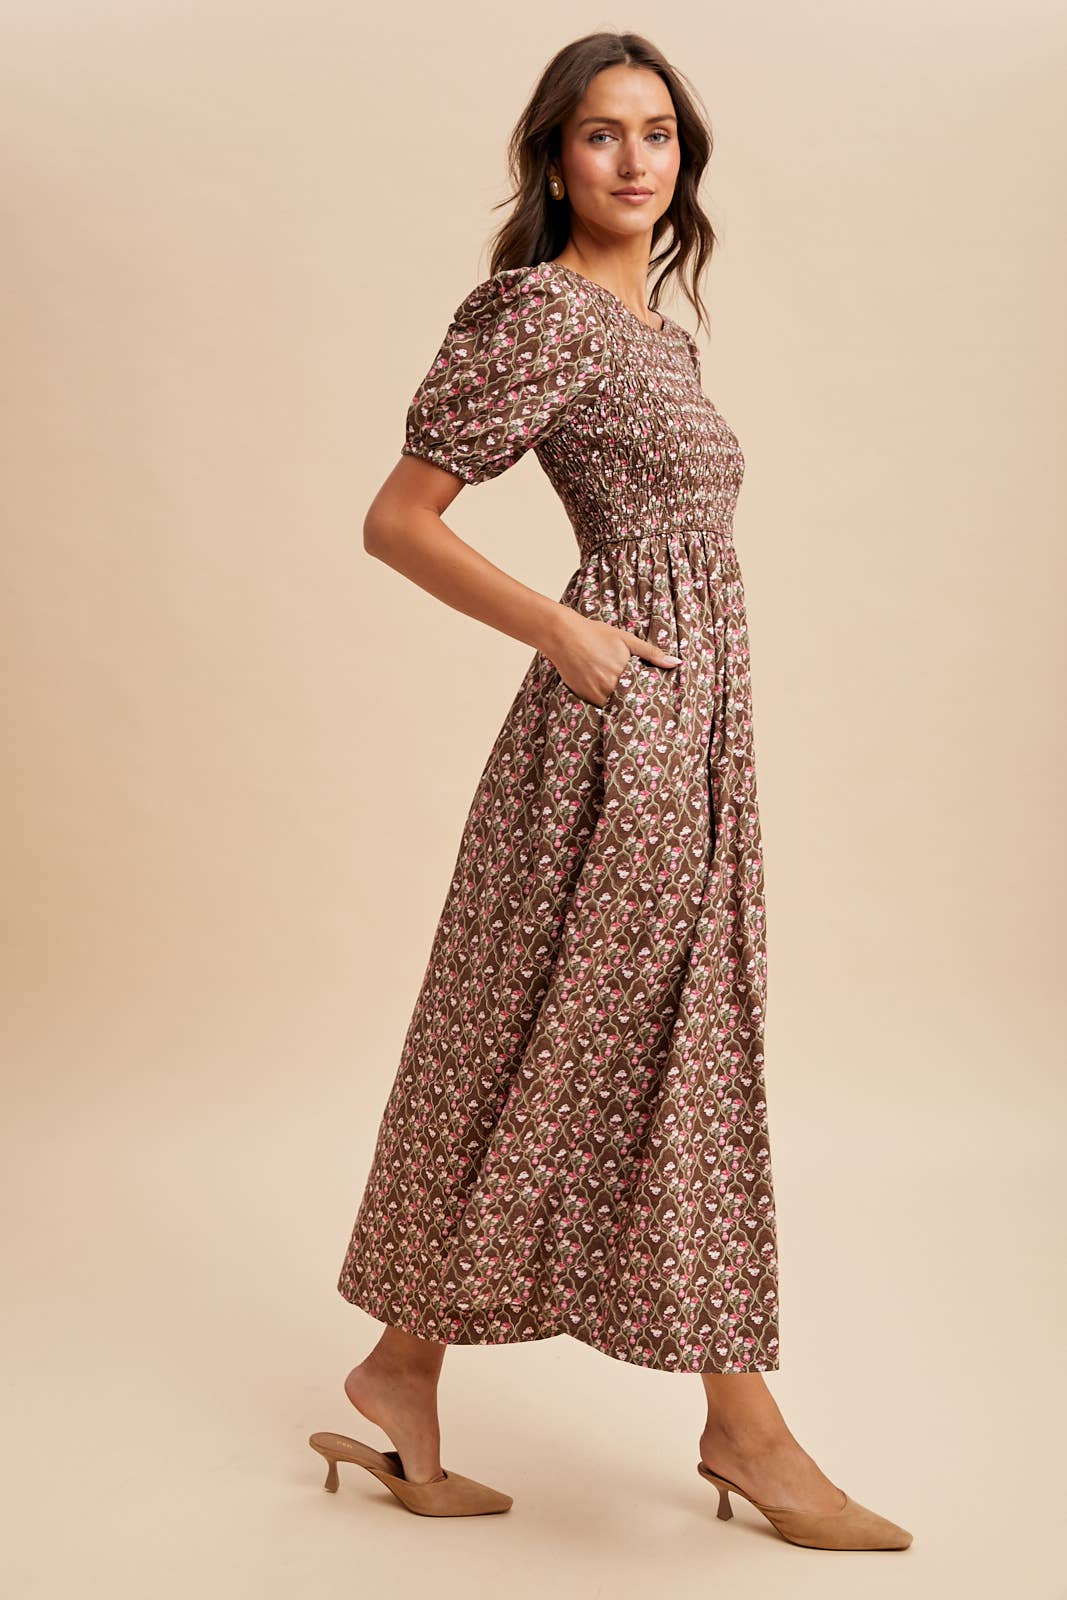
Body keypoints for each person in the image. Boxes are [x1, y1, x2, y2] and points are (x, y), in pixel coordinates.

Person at [310, 31, 912, 1550]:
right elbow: (398, 519)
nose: (635, 159)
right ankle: (744, 1426)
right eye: (601, 134)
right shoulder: (540, 313)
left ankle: (402, 1366)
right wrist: (562, 630)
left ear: (683, 157)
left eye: (657, 133)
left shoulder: (662, 333)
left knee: (547, 1032)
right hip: (620, 729)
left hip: (700, 729)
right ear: (554, 158)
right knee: (656, 1042)